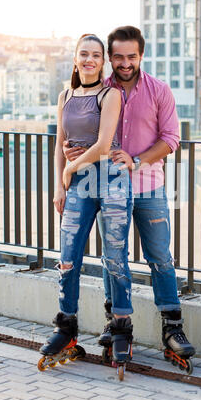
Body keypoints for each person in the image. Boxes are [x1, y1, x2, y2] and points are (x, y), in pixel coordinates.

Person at [63, 26, 195, 366]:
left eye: (131, 57)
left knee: (160, 257)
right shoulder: (98, 91)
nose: (124, 63)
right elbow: (86, 135)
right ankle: (115, 322)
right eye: (118, 57)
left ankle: (172, 328)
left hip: (148, 185)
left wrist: (137, 160)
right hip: (105, 188)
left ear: (141, 56)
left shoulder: (159, 91)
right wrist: (71, 151)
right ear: (110, 57)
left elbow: (171, 138)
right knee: (112, 257)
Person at [39, 34, 133, 370]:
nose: (90, 60)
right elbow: (58, 146)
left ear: (102, 61)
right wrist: (60, 185)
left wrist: (72, 169)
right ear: (76, 59)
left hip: (110, 180)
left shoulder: (110, 95)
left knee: (116, 258)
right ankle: (66, 327)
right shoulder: (65, 95)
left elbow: (104, 145)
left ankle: (122, 328)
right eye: (84, 54)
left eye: (96, 55)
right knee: (67, 258)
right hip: (76, 185)